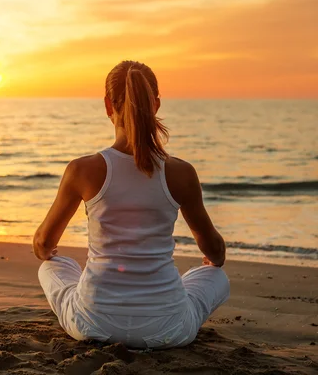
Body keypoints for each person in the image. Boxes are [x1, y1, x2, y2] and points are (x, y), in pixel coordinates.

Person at [33, 60, 230, 349]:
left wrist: (54, 254)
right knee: (216, 275)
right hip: (168, 330)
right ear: (156, 105)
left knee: (51, 267)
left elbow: (42, 245)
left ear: (108, 106)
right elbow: (216, 251)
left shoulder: (82, 170)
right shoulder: (181, 172)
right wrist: (212, 262)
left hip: (93, 324)